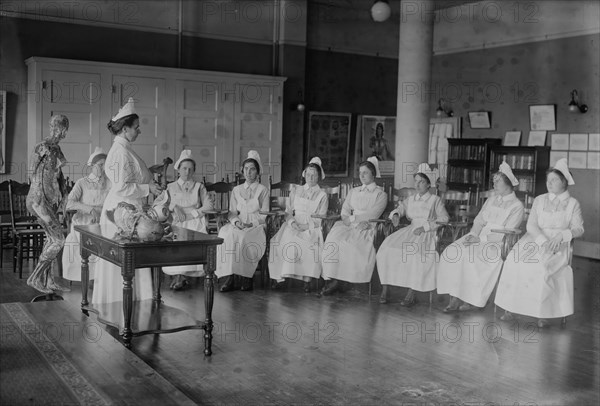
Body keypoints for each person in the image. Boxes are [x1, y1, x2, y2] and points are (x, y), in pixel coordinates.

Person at [495, 159, 584, 328]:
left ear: (564, 182)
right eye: (548, 180)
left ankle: (543, 313)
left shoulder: (573, 204)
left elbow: (578, 229)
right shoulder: (540, 199)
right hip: (535, 239)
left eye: (554, 180)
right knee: (515, 261)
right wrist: (542, 241)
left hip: (557, 245)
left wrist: (563, 235)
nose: (549, 183)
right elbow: (531, 225)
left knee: (541, 267)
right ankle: (510, 308)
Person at [92, 97, 164, 304]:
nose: (139, 131)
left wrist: (149, 172)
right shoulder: (121, 152)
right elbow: (121, 186)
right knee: (123, 260)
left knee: (129, 260)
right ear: (125, 129)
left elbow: (129, 177)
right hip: (121, 212)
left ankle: (133, 303)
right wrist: (148, 187)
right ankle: (118, 304)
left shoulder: (123, 149)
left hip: (127, 209)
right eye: (136, 127)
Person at [437, 161, 525, 312]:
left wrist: (481, 239)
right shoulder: (491, 200)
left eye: (497, 182)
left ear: (508, 184)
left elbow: (508, 232)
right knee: (452, 252)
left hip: (497, 243)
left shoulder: (517, 206)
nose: (494, 185)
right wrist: (473, 235)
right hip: (478, 236)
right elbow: (479, 220)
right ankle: (454, 297)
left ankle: (470, 299)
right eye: (494, 182)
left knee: (471, 258)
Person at [376, 163, 449, 305]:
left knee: (414, 254)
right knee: (386, 249)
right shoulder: (411, 199)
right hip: (410, 229)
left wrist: (426, 227)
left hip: (426, 233)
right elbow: (400, 209)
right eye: (416, 181)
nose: (417, 184)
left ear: (429, 184)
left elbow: (444, 218)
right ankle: (386, 288)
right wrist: (396, 214)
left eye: (421, 181)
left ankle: (412, 291)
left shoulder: (435, 200)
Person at [320, 157, 387, 295]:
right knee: (334, 241)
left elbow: (373, 214)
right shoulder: (353, 191)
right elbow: (345, 209)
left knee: (353, 245)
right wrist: (347, 219)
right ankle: (336, 279)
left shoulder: (380, 194)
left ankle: (349, 280)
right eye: (360, 172)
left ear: (373, 175)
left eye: (366, 172)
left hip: (368, 225)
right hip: (349, 224)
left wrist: (353, 219)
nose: (361, 176)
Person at [26, 114, 71, 294]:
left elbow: (58, 175)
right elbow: (31, 174)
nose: (65, 133)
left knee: (51, 239)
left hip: (48, 200)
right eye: (64, 128)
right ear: (58, 128)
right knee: (59, 239)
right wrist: (41, 199)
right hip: (38, 200)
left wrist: (63, 196)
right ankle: (35, 278)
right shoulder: (42, 147)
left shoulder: (56, 149)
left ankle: (49, 280)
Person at [269, 157, 328, 292]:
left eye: (314, 175)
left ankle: (306, 279)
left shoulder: (322, 195)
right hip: (294, 223)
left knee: (307, 243)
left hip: (311, 226)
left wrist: (306, 227)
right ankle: (282, 277)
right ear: (304, 175)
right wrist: (292, 222)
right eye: (308, 174)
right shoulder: (296, 190)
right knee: (282, 240)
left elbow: (320, 218)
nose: (310, 177)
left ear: (319, 176)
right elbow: (288, 211)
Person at [216, 150, 269, 292]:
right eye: (246, 169)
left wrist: (251, 224)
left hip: (256, 225)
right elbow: (232, 212)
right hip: (239, 223)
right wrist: (236, 222)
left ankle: (247, 277)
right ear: (242, 171)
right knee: (226, 234)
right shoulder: (237, 190)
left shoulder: (263, 190)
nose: (248, 172)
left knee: (244, 237)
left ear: (257, 172)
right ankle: (230, 276)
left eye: (252, 169)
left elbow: (264, 215)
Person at [162, 149, 213, 290]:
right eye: (184, 168)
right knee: (176, 236)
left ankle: (184, 275)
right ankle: (179, 275)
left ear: (194, 171)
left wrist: (194, 214)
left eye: (190, 169)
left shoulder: (199, 187)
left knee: (191, 234)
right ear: (178, 170)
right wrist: (174, 207)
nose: (187, 172)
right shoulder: (171, 187)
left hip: (195, 221)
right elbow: (161, 204)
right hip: (177, 221)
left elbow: (209, 205)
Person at [62, 147, 111, 282]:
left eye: (105, 165)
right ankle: (89, 276)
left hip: (104, 221)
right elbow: (68, 203)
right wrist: (89, 209)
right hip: (83, 223)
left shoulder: (110, 183)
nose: (103, 168)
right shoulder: (82, 183)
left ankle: (102, 279)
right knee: (90, 239)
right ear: (92, 166)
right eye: (100, 165)